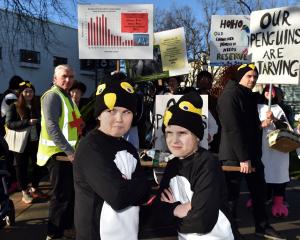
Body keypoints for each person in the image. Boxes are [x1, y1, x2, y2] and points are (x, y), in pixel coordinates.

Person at [73, 72, 151, 240]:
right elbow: (118, 196)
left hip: (127, 232)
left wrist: (136, 187)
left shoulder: (129, 148)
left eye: (126, 112)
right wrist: (138, 186)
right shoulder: (90, 147)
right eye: (112, 111)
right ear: (99, 114)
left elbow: (144, 192)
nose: (119, 119)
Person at [217, 63, 285, 239]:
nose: (253, 79)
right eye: (249, 76)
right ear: (240, 76)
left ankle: (262, 227)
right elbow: (233, 129)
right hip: (235, 156)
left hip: (251, 155)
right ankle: (229, 231)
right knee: (231, 196)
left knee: (259, 191)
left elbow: (247, 126)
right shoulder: (229, 96)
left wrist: (263, 124)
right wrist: (243, 158)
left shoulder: (246, 95)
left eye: (255, 76)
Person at [158, 91, 236, 239]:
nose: (174, 140)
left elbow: (202, 221)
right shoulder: (173, 164)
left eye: (182, 133)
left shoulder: (207, 164)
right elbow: (158, 212)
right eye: (169, 132)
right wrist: (177, 209)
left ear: (197, 136)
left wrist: (171, 213)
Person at [36, 65, 82, 240]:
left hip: (66, 154)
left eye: (71, 77)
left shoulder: (66, 96)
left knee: (69, 193)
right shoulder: (53, 96)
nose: (68, 80)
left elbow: (72, 125)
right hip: (57, 155)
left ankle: (65, 228)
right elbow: (53, 128)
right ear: (55, 78)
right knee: (60, 196)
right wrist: (70, 152)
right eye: (64, 76)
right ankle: (53, 233)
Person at [6, 81, 46, 204]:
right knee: (21, 167)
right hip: (20, 141)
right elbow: (10, 123)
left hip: (35, 141)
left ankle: (34, 187)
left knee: (39, 164)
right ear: (21, 93)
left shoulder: (37, 105)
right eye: (26, 91)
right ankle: (24, 192)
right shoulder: (14, 106)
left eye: (31, 91)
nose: (29, 93)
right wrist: (27, 122)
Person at [258, 85, 290, 217]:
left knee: (278, 173)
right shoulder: (257, 107)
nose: (269, 92)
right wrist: (261, 125)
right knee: (263, 173)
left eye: (272, 90)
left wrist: (274, 119)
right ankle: (263, 198)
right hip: (262, 147)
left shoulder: (281, 108)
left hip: (278, 148)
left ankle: (279, 201)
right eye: (266, 90)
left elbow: (287, 128)